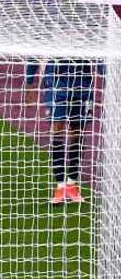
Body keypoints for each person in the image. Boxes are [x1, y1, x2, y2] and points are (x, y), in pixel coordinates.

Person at [26, 57, 101, 205]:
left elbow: (99, 54)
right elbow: (35, 49)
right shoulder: (50, 33)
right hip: (56, 84)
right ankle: (60, 186)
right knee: (57, 131)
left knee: (77, 132)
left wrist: (107, 75)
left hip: (82, 85)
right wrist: (29, 80)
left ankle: (72, 184)